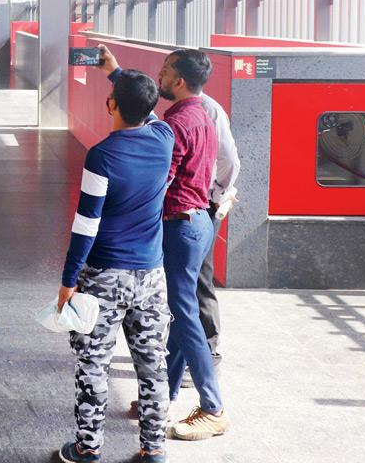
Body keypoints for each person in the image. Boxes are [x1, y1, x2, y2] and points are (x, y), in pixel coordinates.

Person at [55, 55, 174, 463]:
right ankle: (154, 449)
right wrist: (118, 74)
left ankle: (88, 448)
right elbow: (149, 108)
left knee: (94, 363)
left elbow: (86, 224)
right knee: (153, 365)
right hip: (151, 276)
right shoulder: (164, 138)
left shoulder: (101, 156)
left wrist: (68, 280)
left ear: (111, 105)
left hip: (104, 276)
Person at [154, 48, 229, 440]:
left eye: (165, 72)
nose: (160, 77)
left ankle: (213, 408)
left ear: (179, 81)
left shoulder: (178, 121)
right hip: (200, 220)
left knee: (185, 317)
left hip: (180, 225)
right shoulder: (204, 113)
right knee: (183, 311)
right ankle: (162, 396)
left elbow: (162, 179)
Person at [195, 88, 240, 372]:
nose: (161, 76)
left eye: (167, 71)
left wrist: (215, 195)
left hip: (206, 204)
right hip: (195, 204)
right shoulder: (182, 109)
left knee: (200, 276)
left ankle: (208, 352)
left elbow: (229, 160)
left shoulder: (208, 109)